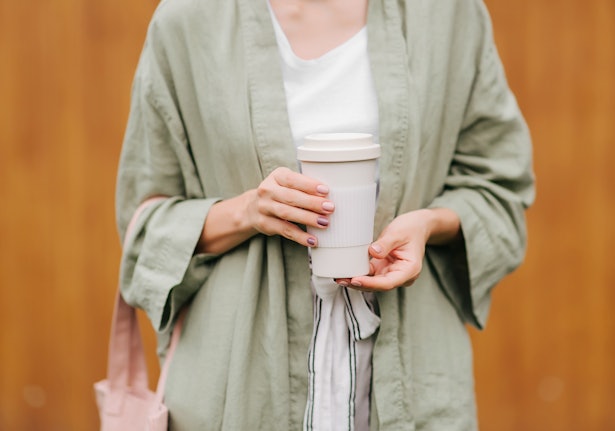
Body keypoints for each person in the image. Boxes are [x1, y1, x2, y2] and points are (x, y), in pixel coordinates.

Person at [115, 0, 535, 429]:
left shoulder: (448, 15)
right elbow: (143, 226)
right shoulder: (190, 19)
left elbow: (498, 188)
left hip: (409, 376)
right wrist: (247, 212)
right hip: (241, 383)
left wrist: (427, 223)